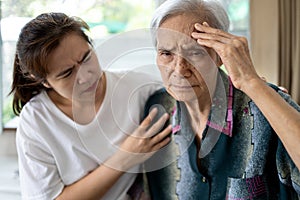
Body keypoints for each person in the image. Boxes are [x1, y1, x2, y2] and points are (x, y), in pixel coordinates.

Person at [143, 0, 300, 199]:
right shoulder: (158, 108)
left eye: (195, 53)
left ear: (220, 56)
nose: (179, 69)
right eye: (166, 53)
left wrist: (250, 80)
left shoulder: (266, 106)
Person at [10, 12, 172, 200]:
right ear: (44, 81)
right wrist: (125, 157)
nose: (86, 77)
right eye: (67, 73)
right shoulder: (36, 121)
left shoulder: (138, 89)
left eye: (86, 58)